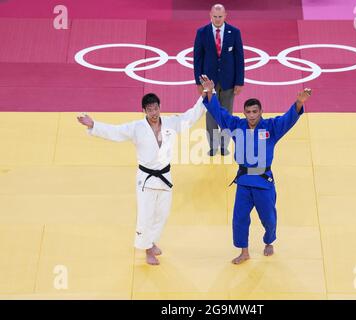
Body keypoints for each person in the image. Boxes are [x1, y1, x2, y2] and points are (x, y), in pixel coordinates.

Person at [77, 93, 206, 265]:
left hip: (165, 176)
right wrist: (94, 125)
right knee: (146, 215)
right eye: (150, 109)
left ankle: (151, 242)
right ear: (143, 110)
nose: (154, 112)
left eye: (156, 108)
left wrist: (205, 95)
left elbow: (190, 117)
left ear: (160, 108)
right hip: (146, 178)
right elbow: (115, 132)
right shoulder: (136, 128)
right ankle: (147, 250)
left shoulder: (170, 123)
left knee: (162, 214)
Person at [199, 75, 312, 264]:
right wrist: (209, 92)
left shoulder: (271, 127)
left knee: (268, 218)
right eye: (248, 112)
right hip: (243, 182)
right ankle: (244, 251)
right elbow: (219, 113)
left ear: (261, 112)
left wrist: (299, 103)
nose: (251, 115)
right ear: (243, 113)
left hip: (264, 181)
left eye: (255, 112)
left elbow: (288, 119)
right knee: (239, 218)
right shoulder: (236, 126)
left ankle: (269, 241)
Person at [193, 3, 244, 156]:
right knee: (211, 114)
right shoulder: (202, 32)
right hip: (209, 82)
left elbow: (239, 58)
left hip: (229, 80)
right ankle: (213, 145)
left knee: (226, 113)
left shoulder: (234, 32)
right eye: (215, 16)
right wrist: (198, 82)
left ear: (225, 15)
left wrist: (239, 81)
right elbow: (198, 58)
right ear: (210, 15)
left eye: (220, 17)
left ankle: (224, 145)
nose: (217, 19)